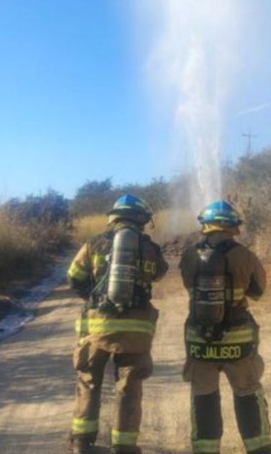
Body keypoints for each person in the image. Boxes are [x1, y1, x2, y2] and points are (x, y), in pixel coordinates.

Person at [66, 194, 169, 454]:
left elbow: (74, 277)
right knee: (129, 387)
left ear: (114, 217)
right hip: (135, 334)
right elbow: (159, 272)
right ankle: (124, 446)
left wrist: (95, 298)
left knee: (89, 381)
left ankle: (81, 442)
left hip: (97, 329)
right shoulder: (149, 248)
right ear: (141, 219)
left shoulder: (94, 244)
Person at [179, 200, 271, 454]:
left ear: (205, 226)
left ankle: (206, 450)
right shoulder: (246, 256)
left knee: (203, 395)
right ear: (233, 227)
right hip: (237, 341)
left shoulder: (188, 256)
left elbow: (188, 286)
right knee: (247, 392)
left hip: (200, 341)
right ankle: (260, 449)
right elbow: (258, 292)